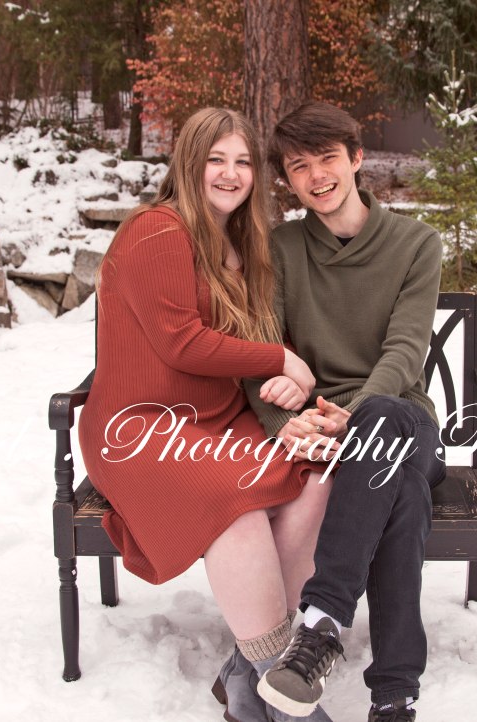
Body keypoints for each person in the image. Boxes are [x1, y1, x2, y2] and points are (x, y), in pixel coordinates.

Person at [76, 107, 335, 722]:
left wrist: (284, 378)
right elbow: (181, 343)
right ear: (189, 163)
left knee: (316, 477)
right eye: (216, 159)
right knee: (234, 507)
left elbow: (250, 332)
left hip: (218, 419)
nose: (230, 173)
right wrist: (280, 359)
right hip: (142, 428)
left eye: (242, 161)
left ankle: (248, 679)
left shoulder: (240, 241)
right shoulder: (157, 231)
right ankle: (285, 696)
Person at [246, 101, 445, 722]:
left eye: (328, 158)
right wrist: (284, 424)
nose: (316, 176)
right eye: (299, 166)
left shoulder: (415, 244)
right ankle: (394, 693)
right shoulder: (281, 248)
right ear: (288, 178)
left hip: (401, 417)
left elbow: (405, 351)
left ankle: (322, 623)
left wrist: (354, 416)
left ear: (356, 158)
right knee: (401, 490)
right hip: (328, 435)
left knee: (383, 421)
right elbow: (261, 351)